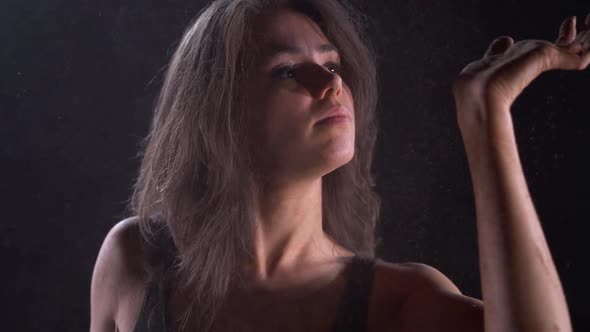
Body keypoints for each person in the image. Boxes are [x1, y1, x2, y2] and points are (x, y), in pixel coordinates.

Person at [89, 0, 590, 331]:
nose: (329, 84)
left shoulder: (399, 302)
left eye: (331, 64)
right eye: (287, 69)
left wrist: (485, 113)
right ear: (216, 113)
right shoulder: (137, 260)